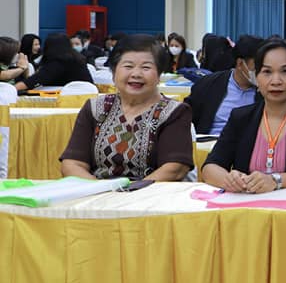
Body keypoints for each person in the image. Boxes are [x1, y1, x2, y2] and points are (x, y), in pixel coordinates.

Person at [202, 39, 286, 193]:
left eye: (285, 71)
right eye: (267, 72)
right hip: (246, 204)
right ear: (257, 77)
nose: (276, 81)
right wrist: (230, 180)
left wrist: (276, 181)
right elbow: (210, 167)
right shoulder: (241, 117)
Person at [59, 34, 193, 180]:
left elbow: (175, 168)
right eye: (128, 66)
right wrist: (99, 189)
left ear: (159, 75)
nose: (136, 74)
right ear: (113, 73)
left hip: (152, 191)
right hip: (98, 190)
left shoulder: (174, 112)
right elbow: (72, 164)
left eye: (146, 67)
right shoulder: (95, 108)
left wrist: (133, 191)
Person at [184, 34, 264, 135]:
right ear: (240, 63)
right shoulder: (209, 84)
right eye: (257, 65)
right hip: (210, 141)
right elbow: (185, 114)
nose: (262, 70)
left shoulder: (266, 91)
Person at [15, 32, 93, 91]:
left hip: (70, 97)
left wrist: (11, 89)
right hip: (87, 94)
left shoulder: (58, 63)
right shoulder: (77, 59)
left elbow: (34, 80)